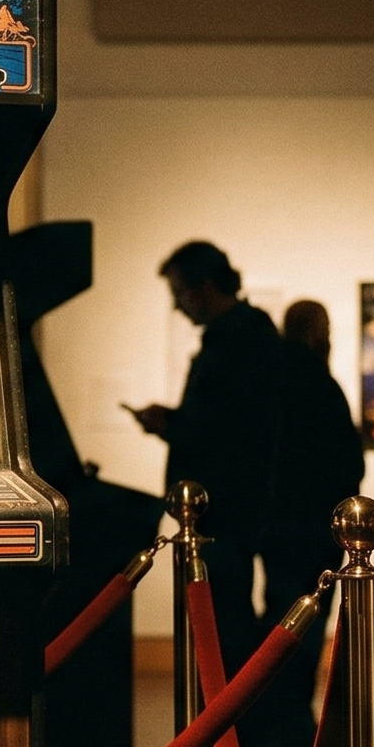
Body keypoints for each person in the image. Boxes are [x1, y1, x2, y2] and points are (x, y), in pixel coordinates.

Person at [131, 242, 283, 676]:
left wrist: (172, 426)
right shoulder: (244, 335)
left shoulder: (240, 338)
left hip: (226, 512)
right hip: (228, 511)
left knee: (226, 628)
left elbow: (228, 432)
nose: (178, 307)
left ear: (205, 285)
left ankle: (230, 727)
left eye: (180, 293)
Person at [259, 301, 363, 747]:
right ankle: (293, 715)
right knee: (307, 622)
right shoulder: (321, 383)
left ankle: (276, 715)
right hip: (314, 524)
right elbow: (348, 460)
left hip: (277, 521)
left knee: (281, 617)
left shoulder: (272, 379)